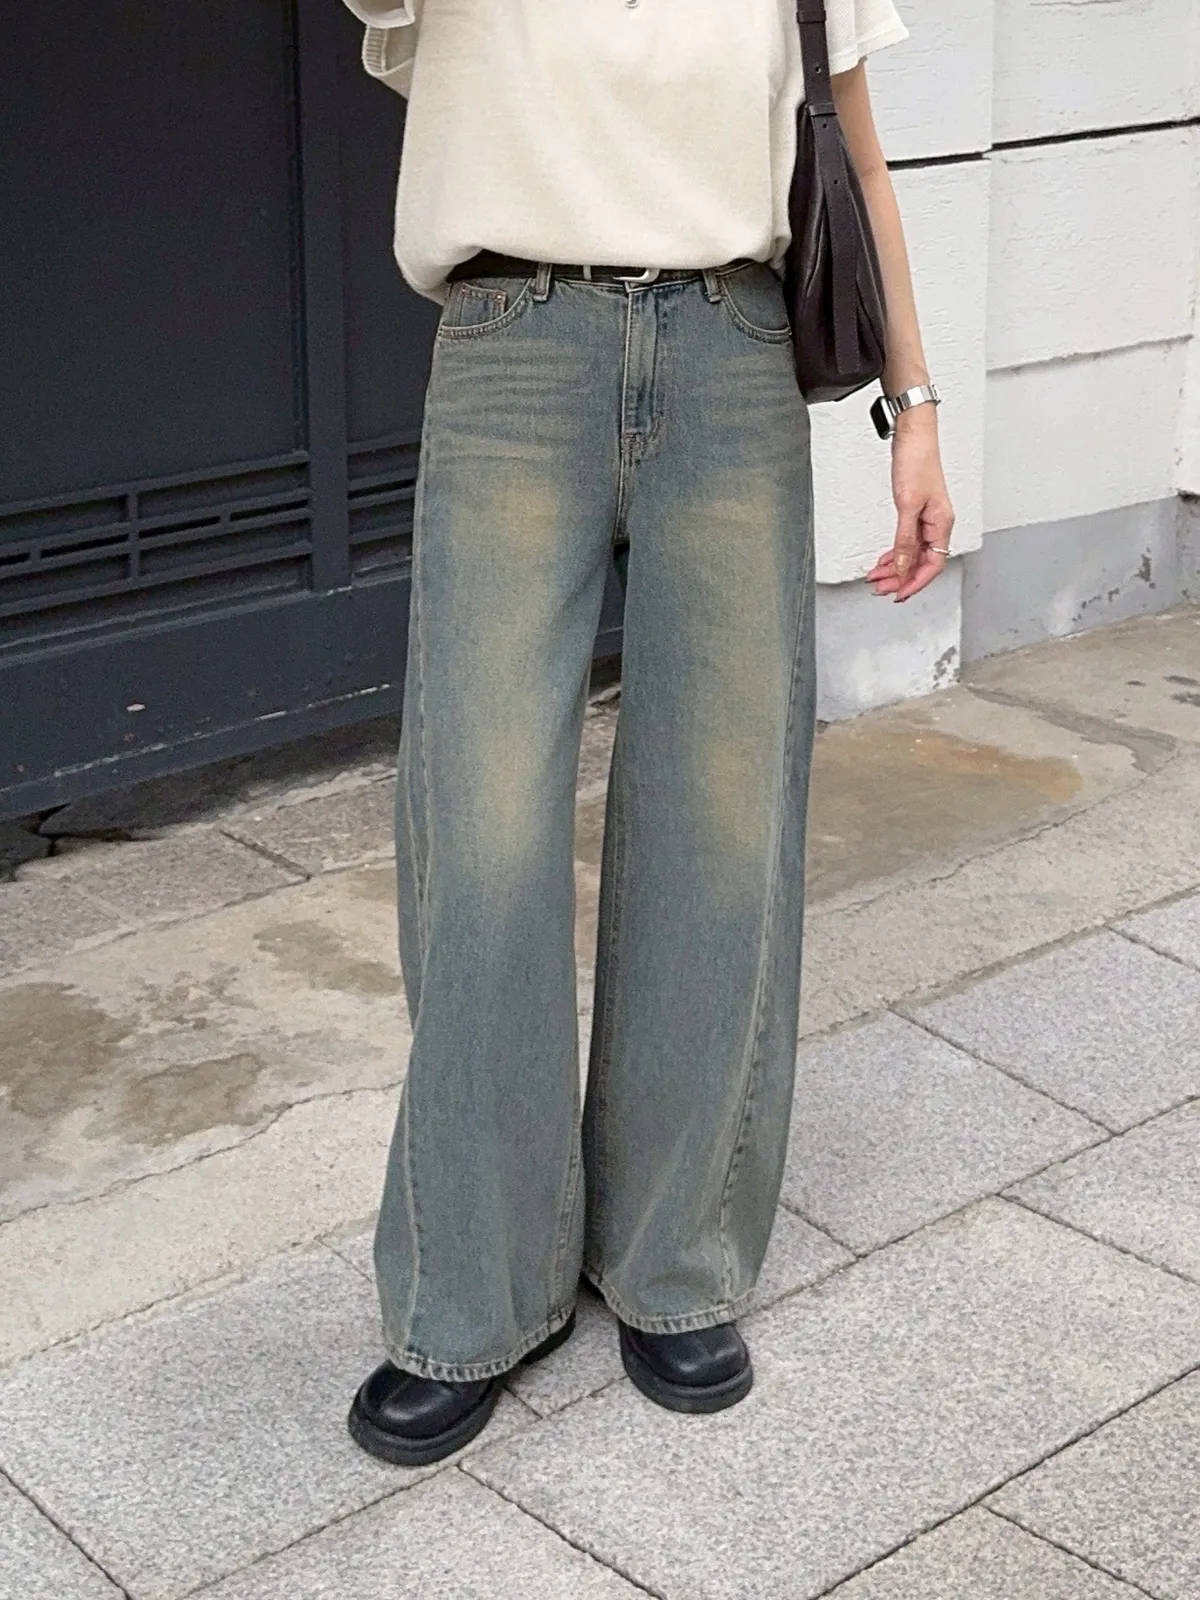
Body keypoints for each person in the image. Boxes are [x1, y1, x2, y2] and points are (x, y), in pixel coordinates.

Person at [340, 0, 956, 1467]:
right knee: (481, 837)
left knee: (721, 829)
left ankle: (675, 1260)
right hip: (514, 352)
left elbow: (862, 160)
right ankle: (471, 1292)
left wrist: (917, 408)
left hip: (734, 357)